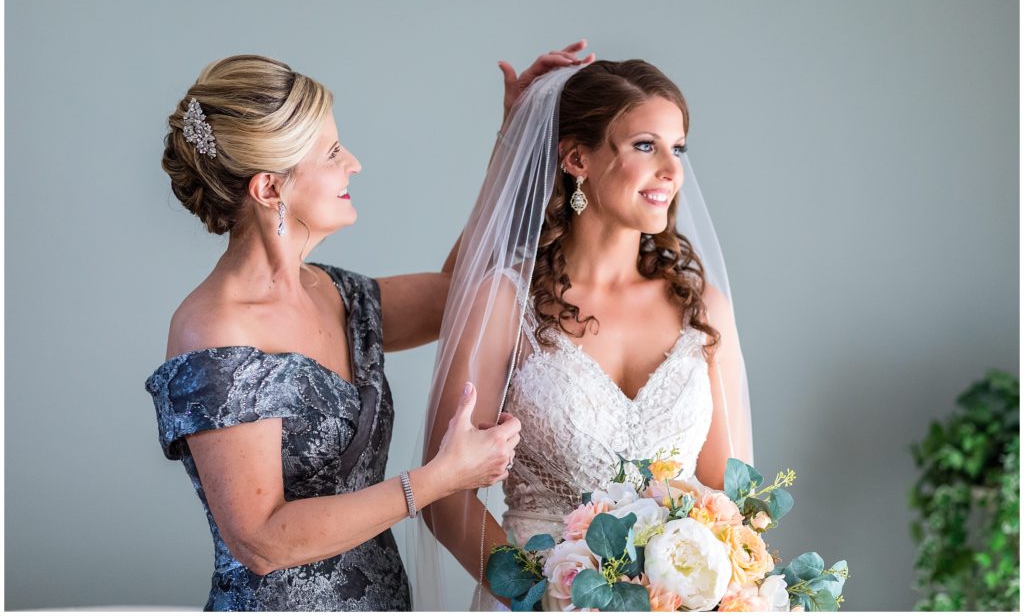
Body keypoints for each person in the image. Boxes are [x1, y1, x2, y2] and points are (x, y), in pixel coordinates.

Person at [145, 46, 591, 610]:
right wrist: (439, 479)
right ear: (269, 189)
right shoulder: (213, 330)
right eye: (332, 153)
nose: (353, 162)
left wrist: (513, 137)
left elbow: (462, 291)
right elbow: (260, 539)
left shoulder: (334, 292)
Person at [416, 60, 754, 608]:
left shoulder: (702, 308)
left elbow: (731, 492)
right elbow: (443, 495)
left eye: (679, 148)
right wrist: (542, 595)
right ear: (578, 159)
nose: (672, 170)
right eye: (646, 145)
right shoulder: (505, 302)